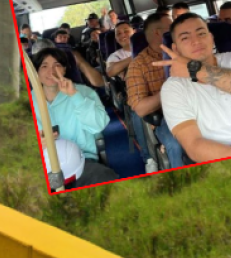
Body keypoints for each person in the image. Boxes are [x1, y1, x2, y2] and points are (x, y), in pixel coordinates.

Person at [153, 13, 231, 163]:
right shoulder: (173, 88)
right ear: (175, 48)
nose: (196, 41)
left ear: (211, 38)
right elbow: (194, 146)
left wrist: (195, 70)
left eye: (201, 33)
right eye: (185, 38)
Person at [32, 47, 118, 188]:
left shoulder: (84, 92)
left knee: (105, 179)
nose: (51, 71)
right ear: (37, 72)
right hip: (43, 166)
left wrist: (75, 96)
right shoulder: (28, 102)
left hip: (83, 160)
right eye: (44, 66)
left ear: (65, 69)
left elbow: (98, 125)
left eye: (57, 65)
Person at [124, 12, 186, 169]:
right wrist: (170, 87)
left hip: (199, 107)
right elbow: (140, 109)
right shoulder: (138, 65)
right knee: (174, 144)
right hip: (167, 116)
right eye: (172, 27)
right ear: (159, 33)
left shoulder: (185, 52)